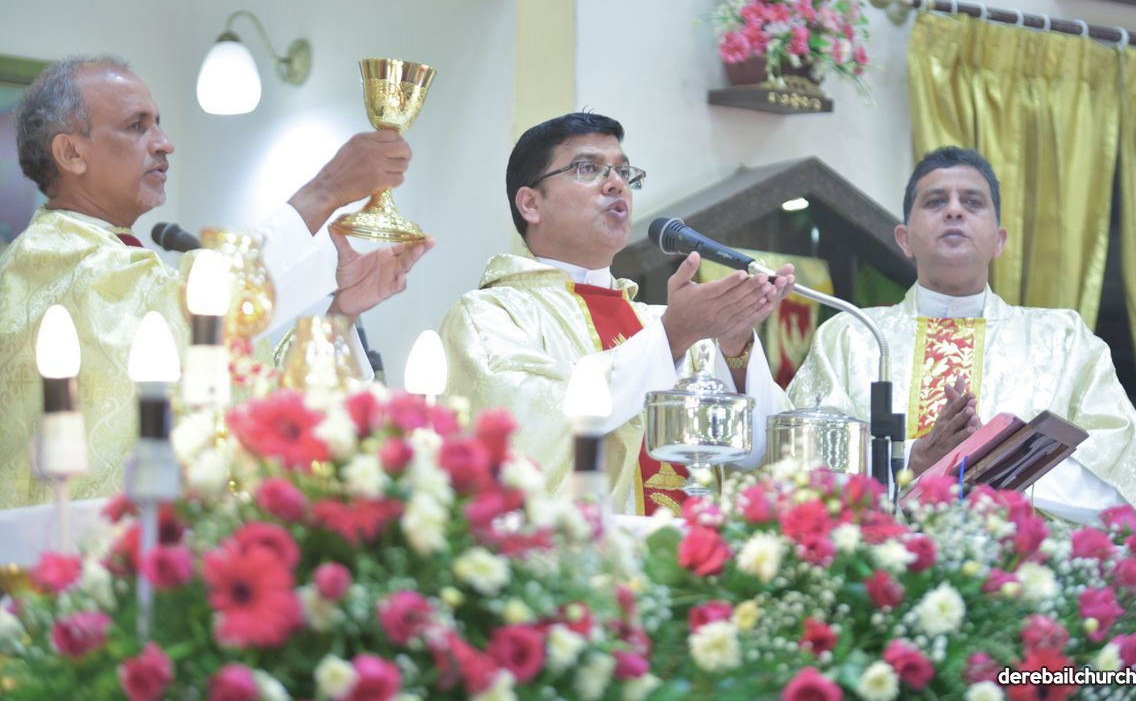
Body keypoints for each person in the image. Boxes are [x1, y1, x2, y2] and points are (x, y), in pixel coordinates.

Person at [0, 56, 433, 507]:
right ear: (71, 153)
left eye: (158, 124)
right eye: (136, 126)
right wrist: (326, 189)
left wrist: (342, 313)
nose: (164, 143)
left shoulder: (116, 263)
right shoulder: (54, 260)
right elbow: (197, 313)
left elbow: (249, 398)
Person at [440, 112, 795, 515]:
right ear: (531, 204)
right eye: (587, 168)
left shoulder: (660, 325)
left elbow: (761, 456)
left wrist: (734, 347)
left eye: (624, 172)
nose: (616, 184)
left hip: (694, 549)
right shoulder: (491, 317)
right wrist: (673, 337)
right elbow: (529, 431)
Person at [787, 146, 1136, 530]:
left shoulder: (1063, 340)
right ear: (904, 239)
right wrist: (911, 460)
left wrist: (992, 463)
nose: (954, 210)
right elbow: (802, 463)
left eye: (972, 202)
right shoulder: (852, 336)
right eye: (935, 201)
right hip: (880, 559)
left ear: (999, 240)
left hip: (1023, 561)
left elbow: (1117, 475)